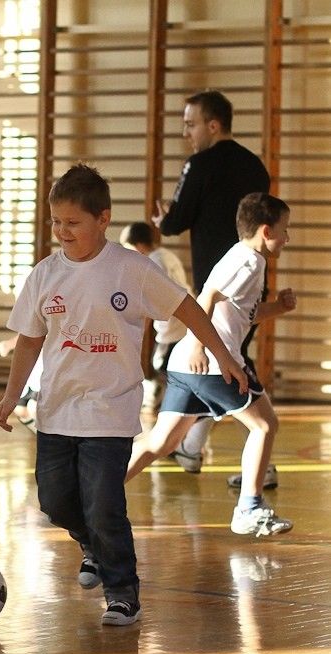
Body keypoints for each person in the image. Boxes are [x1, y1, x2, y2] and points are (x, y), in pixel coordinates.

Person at [0, 163, 247, 626]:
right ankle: (90, 545)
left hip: (110, 410)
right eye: (56, 222)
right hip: (56, 410)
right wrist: (12, 395)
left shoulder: (131, 269)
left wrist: (223, 356)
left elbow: (188, 308)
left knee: (104, 505)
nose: (62, 231)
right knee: (55, 502)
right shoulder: (45, 275)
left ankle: (122, 593)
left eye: (73, 222)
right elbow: (29, 340)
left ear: (103, 219)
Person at [126, 192, 296, 537]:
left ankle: (94, 494)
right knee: (264, 426)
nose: (287, 237)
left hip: (187, 364)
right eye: (284, 229)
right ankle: (249, 508)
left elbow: (241, 314)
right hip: (211, 364)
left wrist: (278, 307)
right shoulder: (248, 261)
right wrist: (199, 346)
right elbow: (206, 297)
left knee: (161, 442)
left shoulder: (246, 259)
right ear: (266, 231)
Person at [152, 89, 273, 487]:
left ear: (214, 125)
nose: (186, 133)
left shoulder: (199, 164)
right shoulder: (255, 165)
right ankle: (192, 446)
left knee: (224, 366)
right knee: (228, 363)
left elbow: (177, 220)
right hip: (253, 281)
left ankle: (259, 455)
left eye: (191, 124)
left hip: (218, 285)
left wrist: (164, 219)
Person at [119, 221, 193, 409]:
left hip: (172, 325)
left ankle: (173, 406)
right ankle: (170, 403)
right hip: (183, 322)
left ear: (138, 245)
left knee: (163, 366)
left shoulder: (151, 263)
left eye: (129, 248)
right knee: (169, 366)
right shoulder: (167, 255)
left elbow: (149, 300)